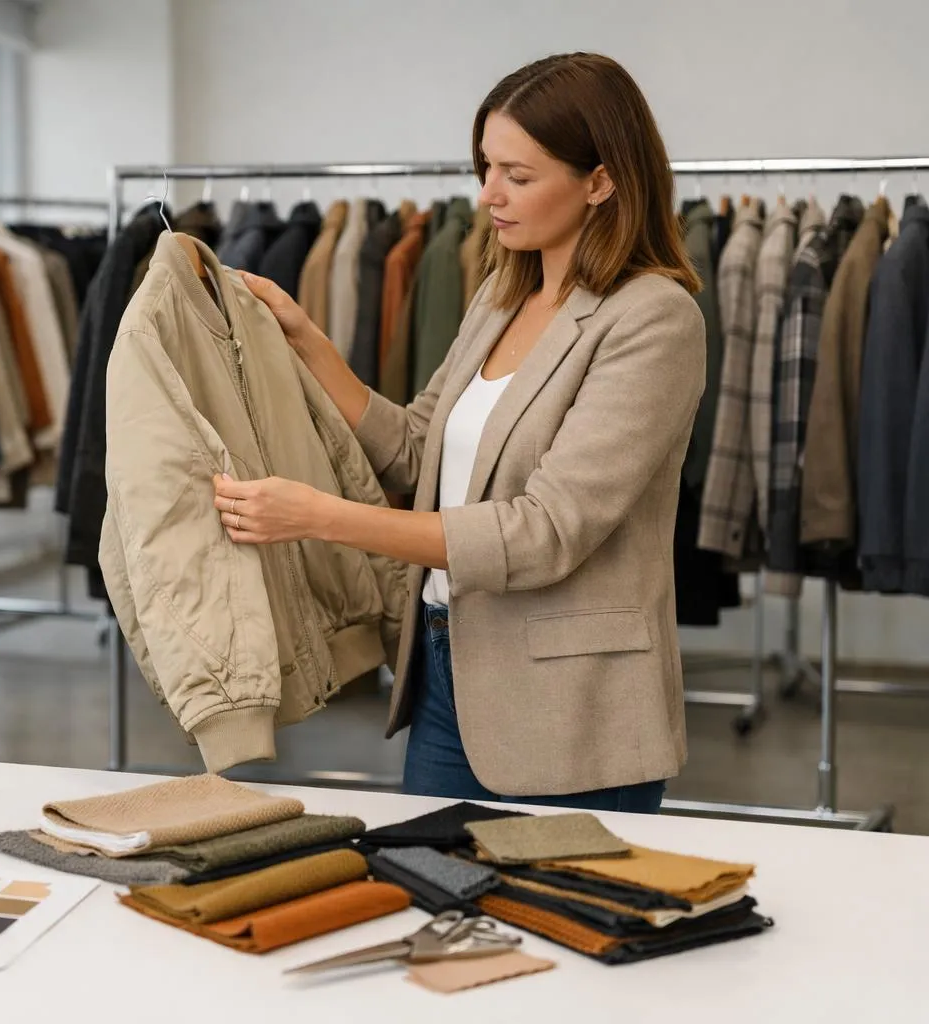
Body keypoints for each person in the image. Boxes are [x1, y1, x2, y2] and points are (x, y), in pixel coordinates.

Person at [212, 52, 705, 813]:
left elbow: (545, 532)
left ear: (601, 181)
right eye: (485, 168)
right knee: (442, 906)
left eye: (518, 174)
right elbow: (415, 447)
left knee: (554, 924)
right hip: (447, 672)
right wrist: (305, 336)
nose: (488, 195)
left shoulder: (653, 319)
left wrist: (320, 517)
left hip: (574, 704)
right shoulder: (503, 297)